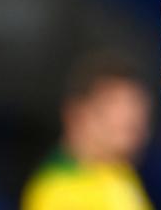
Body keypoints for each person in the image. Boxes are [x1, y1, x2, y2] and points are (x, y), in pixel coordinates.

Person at [21, 53, 153, 210]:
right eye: (115, 105)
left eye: (138, 111)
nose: (135, 123)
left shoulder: (119, 173)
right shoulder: (57, 192)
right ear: (77, 115)